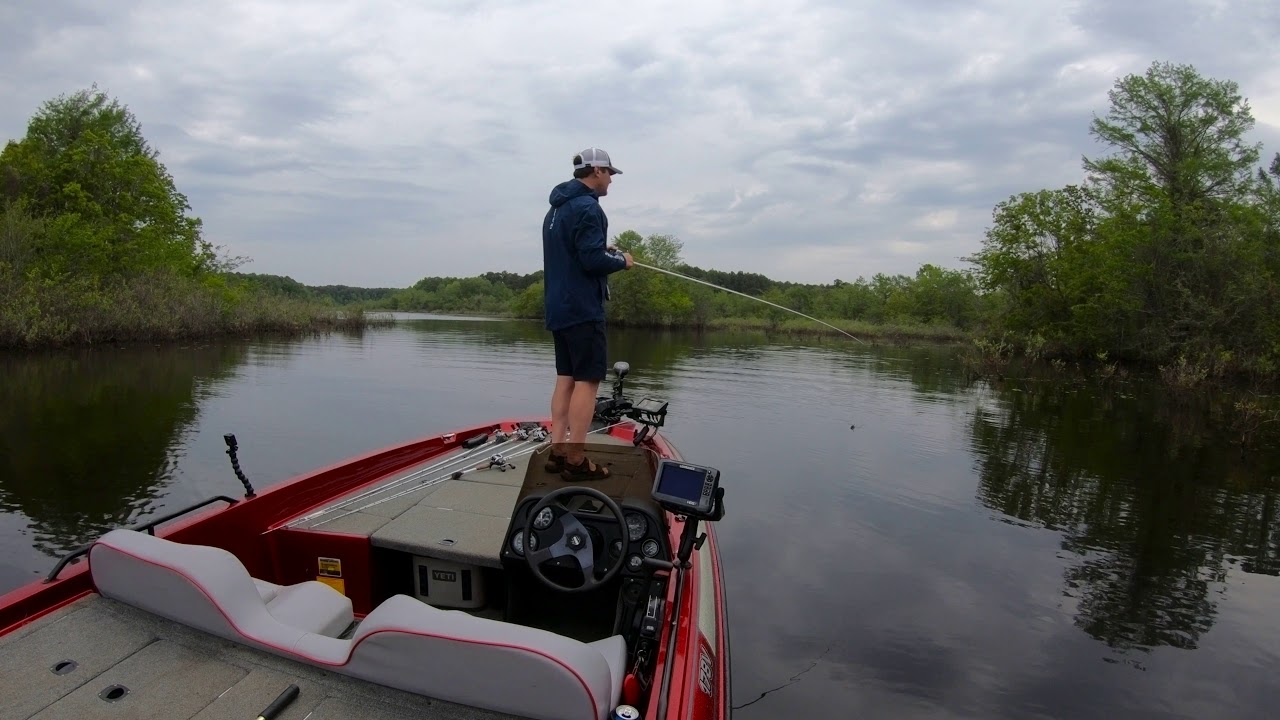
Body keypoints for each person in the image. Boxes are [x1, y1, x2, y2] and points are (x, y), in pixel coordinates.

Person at [541, 147, 633, 481]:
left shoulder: (555, 210)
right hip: (582, 309)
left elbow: (576, 251)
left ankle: (557, 451)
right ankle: (577, 460)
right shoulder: (588, 207)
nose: (611, 180)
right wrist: (621, 261)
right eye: (609, 173)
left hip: (558, 307)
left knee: (566, 378)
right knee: (588, 382)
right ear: (596, 171)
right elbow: (592, 262)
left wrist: (601, 249)